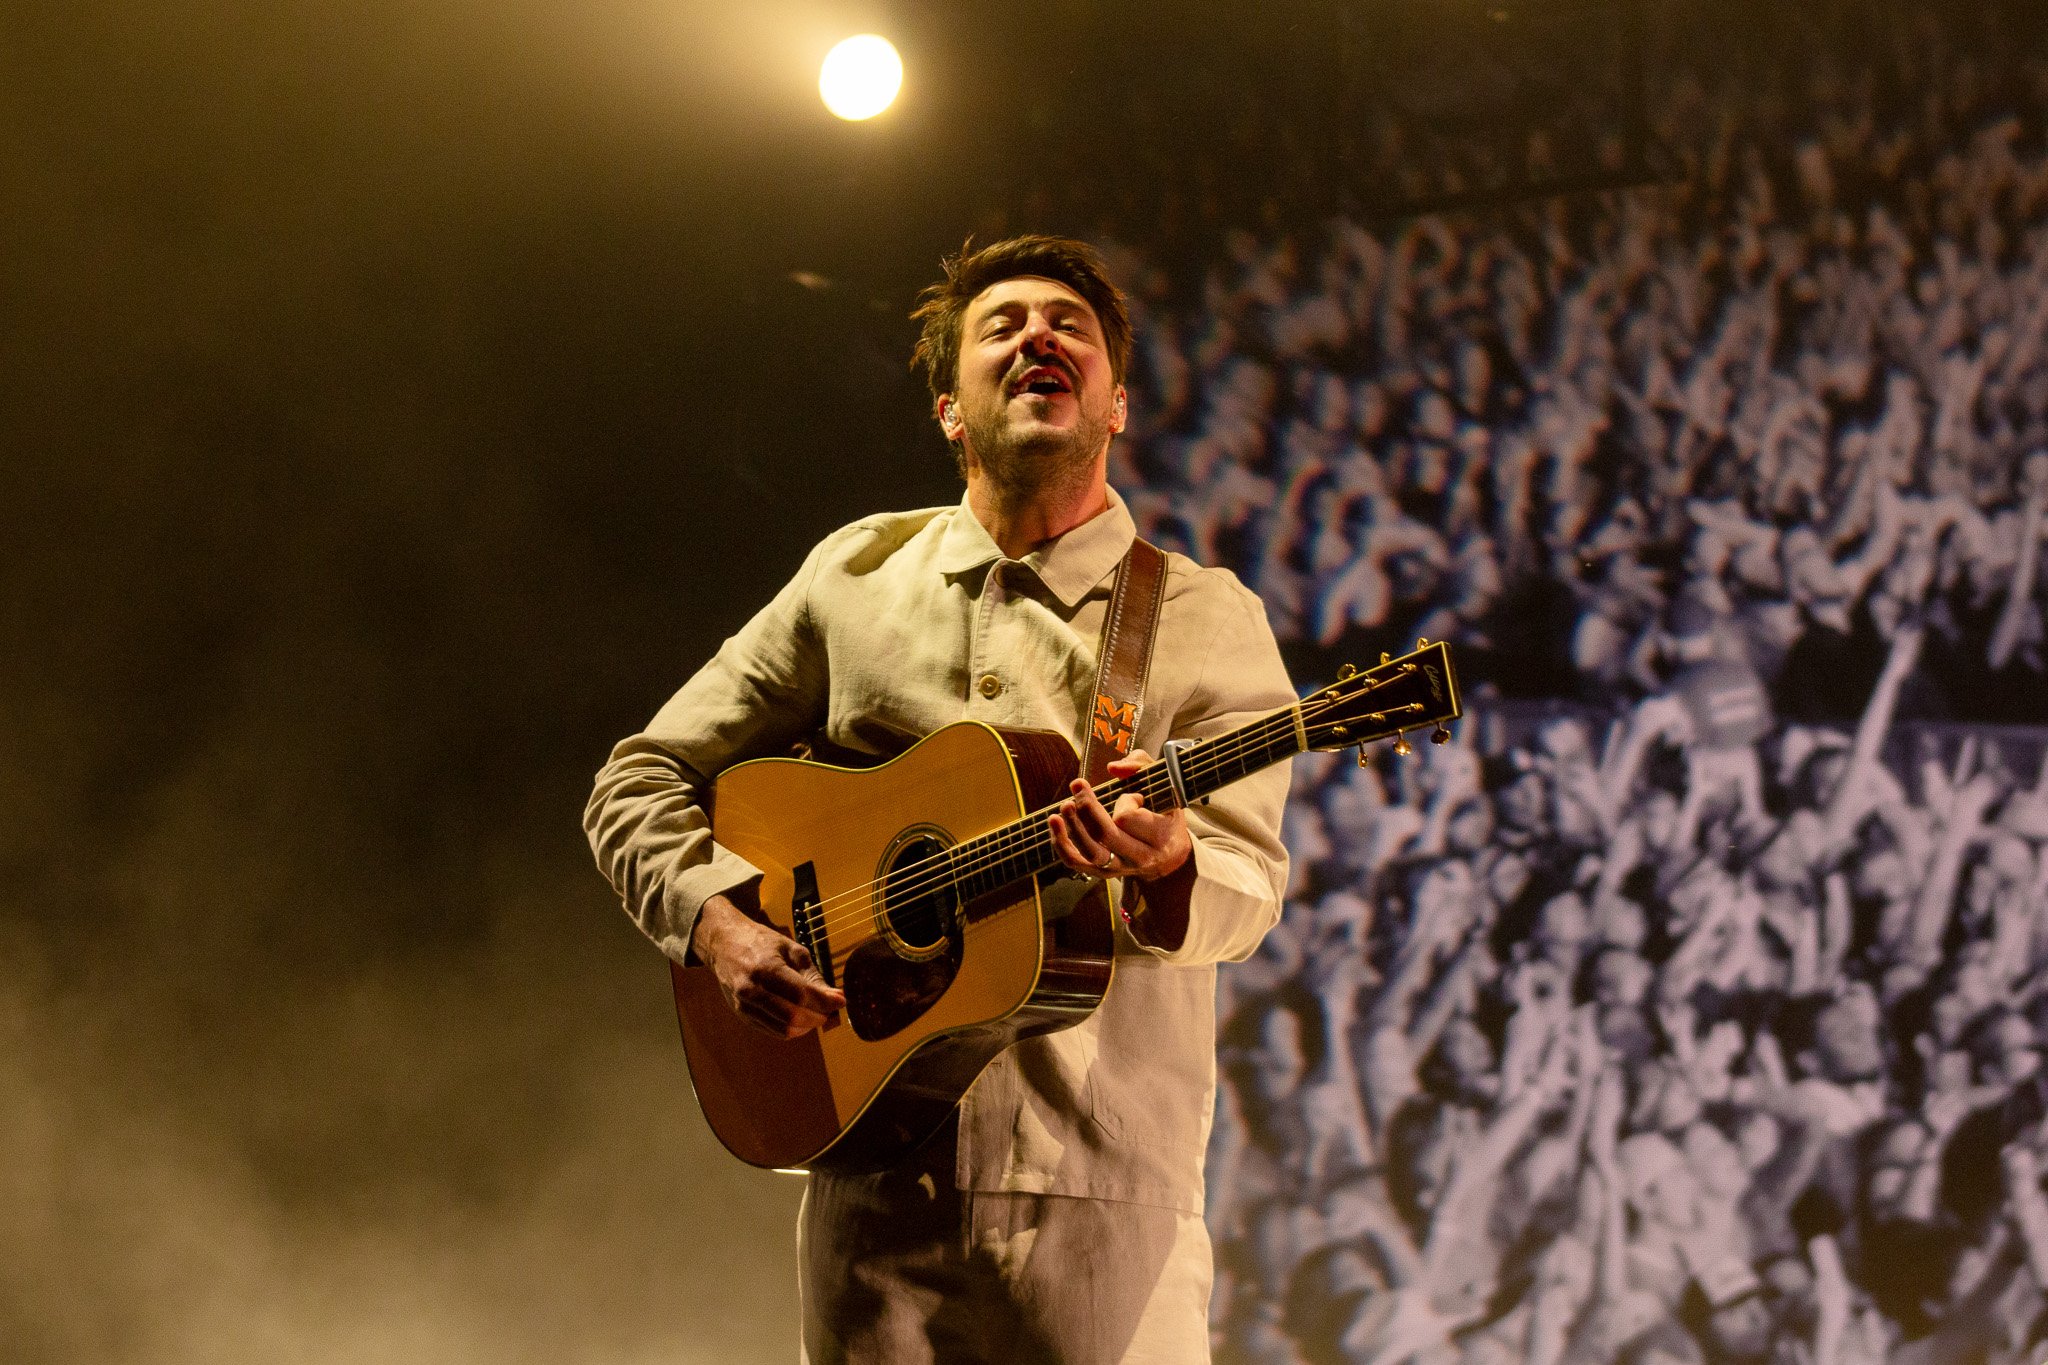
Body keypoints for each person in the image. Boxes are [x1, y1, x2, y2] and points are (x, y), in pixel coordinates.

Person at [583, 235, 1297, 1364]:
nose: (1038, 336)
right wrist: (714, 920)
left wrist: (1167, 864)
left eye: (1070, 324)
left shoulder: (1207, 617)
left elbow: (1249, 885)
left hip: (1103, 1194)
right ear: (949, 411)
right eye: (1000, 324)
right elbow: (640, 778)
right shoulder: (854, 576)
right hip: (871, 1192)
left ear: (1115, 404)